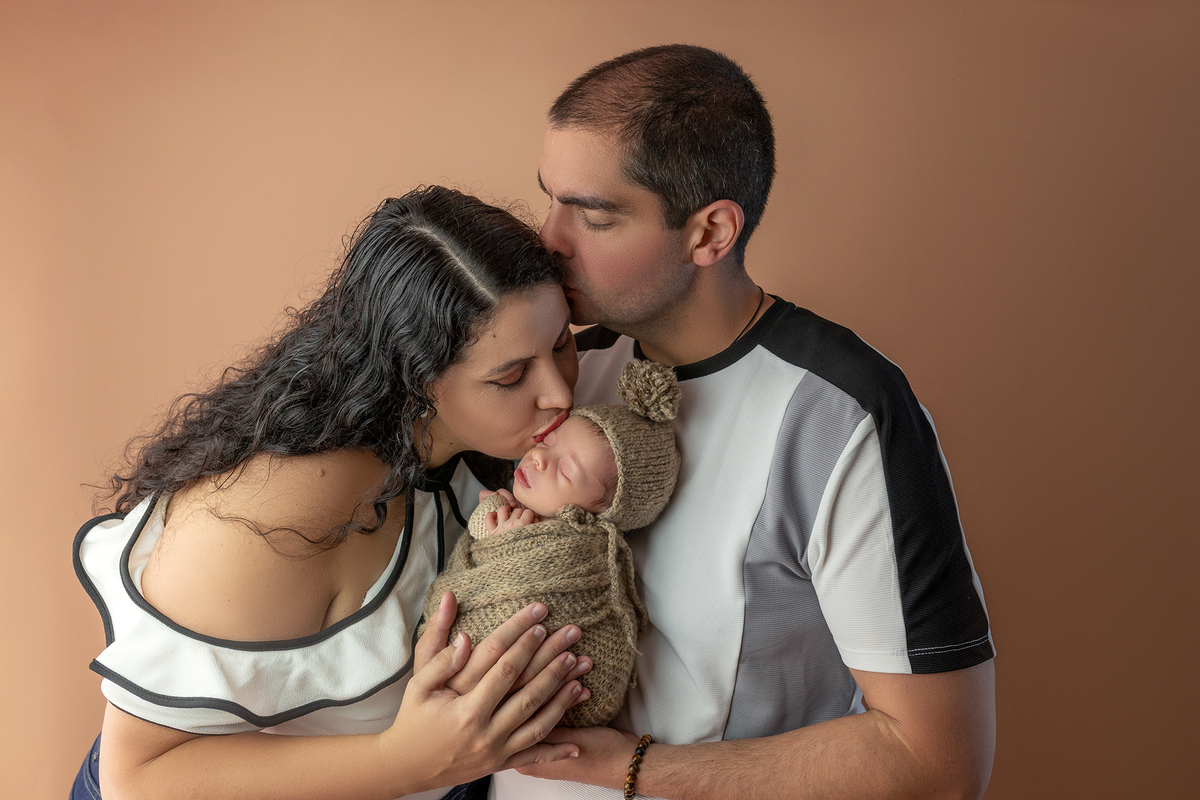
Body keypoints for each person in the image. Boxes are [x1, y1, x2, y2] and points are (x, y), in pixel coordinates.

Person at [493, 44, 997, 799]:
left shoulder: (845, 414)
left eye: (593, 216)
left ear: (709, 234)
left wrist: (619, 768)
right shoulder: (553, 366)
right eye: (551, 198)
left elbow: (939, 763)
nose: (548, 239)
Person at [70, 185, 596, 800]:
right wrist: (403, 762)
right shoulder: (271, 517)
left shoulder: (493, 446)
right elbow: (136, 781)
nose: (559, 391)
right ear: (414, 380)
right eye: (510, 377)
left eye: (561, 343)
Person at [422, 359, 681, 728]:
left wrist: (504, 543)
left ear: (604, 512)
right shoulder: (515, 504)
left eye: (564, 470)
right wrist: (493, 526)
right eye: (550, 440)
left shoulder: (580, 547)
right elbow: (479, 531)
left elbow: (538, 587)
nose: (540, 458)